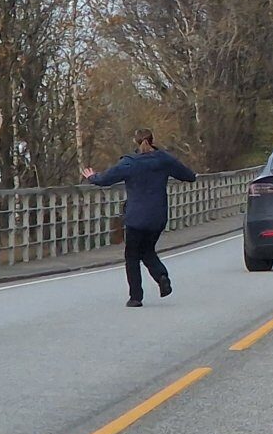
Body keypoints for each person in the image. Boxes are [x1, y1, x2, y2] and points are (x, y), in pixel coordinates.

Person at [83, 128, 198, 308]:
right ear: (153, 140)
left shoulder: (129, 163)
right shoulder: (164, 160)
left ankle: (136, 297)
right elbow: (189, 176)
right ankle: (161, 276)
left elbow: (106, 179)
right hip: (157, 216)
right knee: (148, 250)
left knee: (132, 255)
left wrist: (92, 177)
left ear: (135, 141)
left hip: (136, 218)